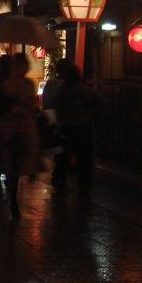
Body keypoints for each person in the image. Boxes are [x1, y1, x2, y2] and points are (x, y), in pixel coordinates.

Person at [0, 53, 39, 217]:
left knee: (21, 161)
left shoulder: (29, 84)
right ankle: (12, 198)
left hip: (25, 127)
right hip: (12, 128)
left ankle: (13, 194)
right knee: (13, 164)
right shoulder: (7, 85)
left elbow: (32, 103)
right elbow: (2, 106)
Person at [53, 63, 101, 195]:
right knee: (85, 158)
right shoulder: (86, 90)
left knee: (63, 157)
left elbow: (57, 107)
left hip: (66, 128)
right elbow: (99, 102)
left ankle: (60, 179)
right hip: (84, 128)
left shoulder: (62, 91)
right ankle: (84, 185)